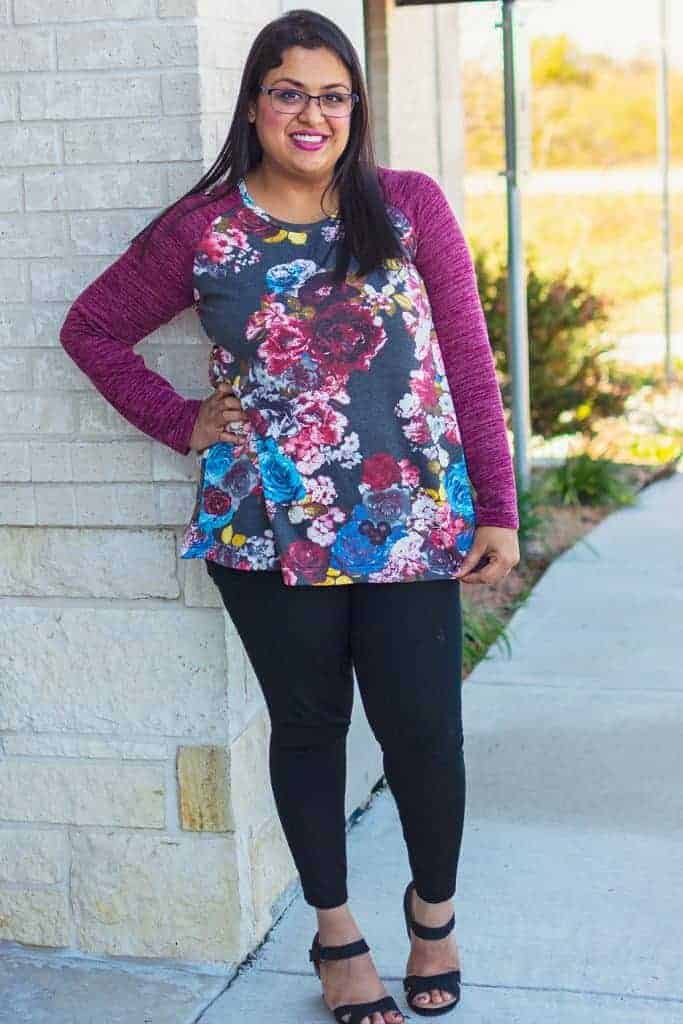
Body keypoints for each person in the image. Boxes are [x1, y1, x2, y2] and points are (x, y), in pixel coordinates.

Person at [59, 10, 520, 1023]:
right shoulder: (203, 230)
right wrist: (181, 420)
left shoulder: (406, 205)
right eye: (289, 92)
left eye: (333, 95)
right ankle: (335, 933)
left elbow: (465, 360)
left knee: (423, 735)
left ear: (356, 108)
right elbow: (90, 328)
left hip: (407, 520)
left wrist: (496, 504)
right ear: (255, 104)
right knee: (309, 728)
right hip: (265, 528)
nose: (312, 114)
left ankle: (432, 916)